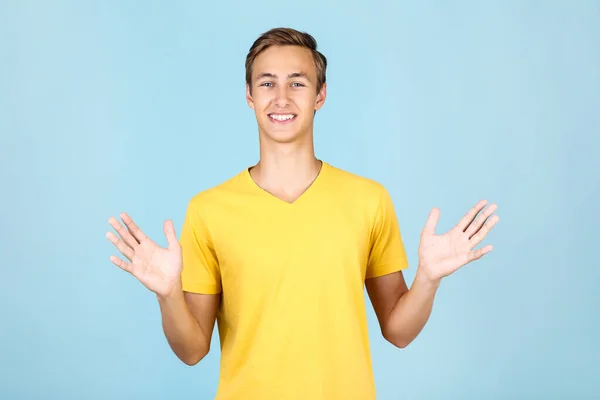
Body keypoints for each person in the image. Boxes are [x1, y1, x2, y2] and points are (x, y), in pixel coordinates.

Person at [105, 27, 499, 400]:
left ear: (320, 95)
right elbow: (192, 350)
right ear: (249, 96)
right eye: (267, 83)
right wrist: (168, 294)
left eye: (297, 82)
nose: (281, 97)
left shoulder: (369, 200)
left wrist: (428, 280)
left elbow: (398, 331)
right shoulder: (209, 210)